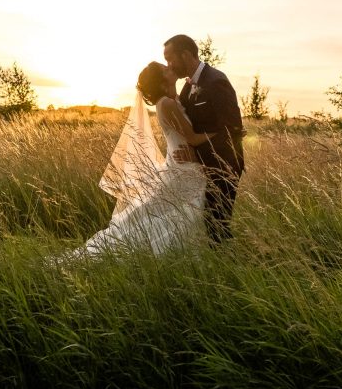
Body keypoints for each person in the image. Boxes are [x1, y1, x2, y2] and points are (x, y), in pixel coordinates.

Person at [71, 62, 215, 257]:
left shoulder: (173, 100)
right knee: (172, 216)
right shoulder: (167, 103)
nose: (170, 67)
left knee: (169, 216)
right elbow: (193, 138)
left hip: (186, 166)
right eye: (165, 69)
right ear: (161, 81)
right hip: (184, 169)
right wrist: (226, 130)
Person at [163, 34, 244, 245]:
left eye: (170, 58)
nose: (168, 65)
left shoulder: (216, 81)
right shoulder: (188, 86)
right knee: (205, 225)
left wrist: (196, 153)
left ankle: (227, 268)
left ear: (186, 54)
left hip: (224, 164)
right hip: (202, 166)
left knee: (216, 226)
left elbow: (232, 129)